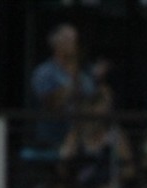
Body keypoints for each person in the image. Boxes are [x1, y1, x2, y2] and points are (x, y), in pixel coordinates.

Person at [29, 23, 109, 152]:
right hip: (58, 131)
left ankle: (130, 170)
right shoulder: (45, 72)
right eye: (69, 40)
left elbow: (96, 100)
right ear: (56, 44)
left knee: (114, 132)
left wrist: (99, 82)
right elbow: (50, 105)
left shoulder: (85, 74)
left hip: (91, 129)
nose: (74, 44)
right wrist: (71, 86)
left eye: (75, 40)